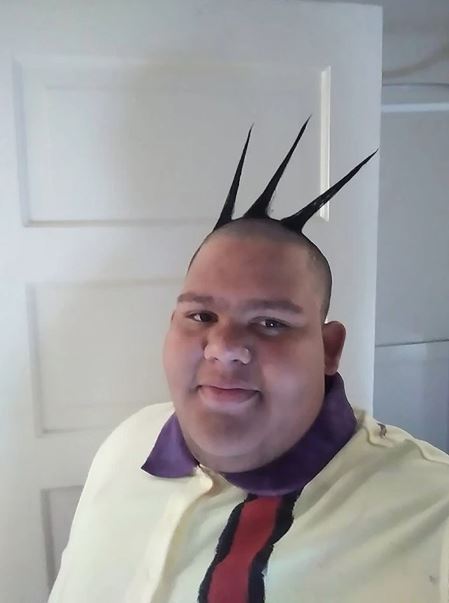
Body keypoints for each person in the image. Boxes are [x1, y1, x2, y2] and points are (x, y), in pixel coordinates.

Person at [49, 120, 449, 603]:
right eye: (201, 315)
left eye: (270, 323)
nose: (223, 346)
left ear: (328, 349)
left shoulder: (434, 515)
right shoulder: (126, 444)